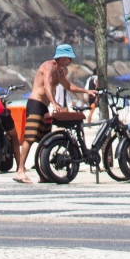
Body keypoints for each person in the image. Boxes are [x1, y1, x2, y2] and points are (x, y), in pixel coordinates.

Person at [15, 44, 94, 183]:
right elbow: (47, 86)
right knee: (30, 138)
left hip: (44, 107)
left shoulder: (59, 71)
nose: (71, 61)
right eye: (69, 58)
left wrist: (86, 91)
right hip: (35, 104)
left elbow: (69, 86)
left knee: (45, 141)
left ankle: (43, 173)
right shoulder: (48, 67)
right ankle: (20, 171)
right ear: (62, 57)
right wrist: (55, 103)